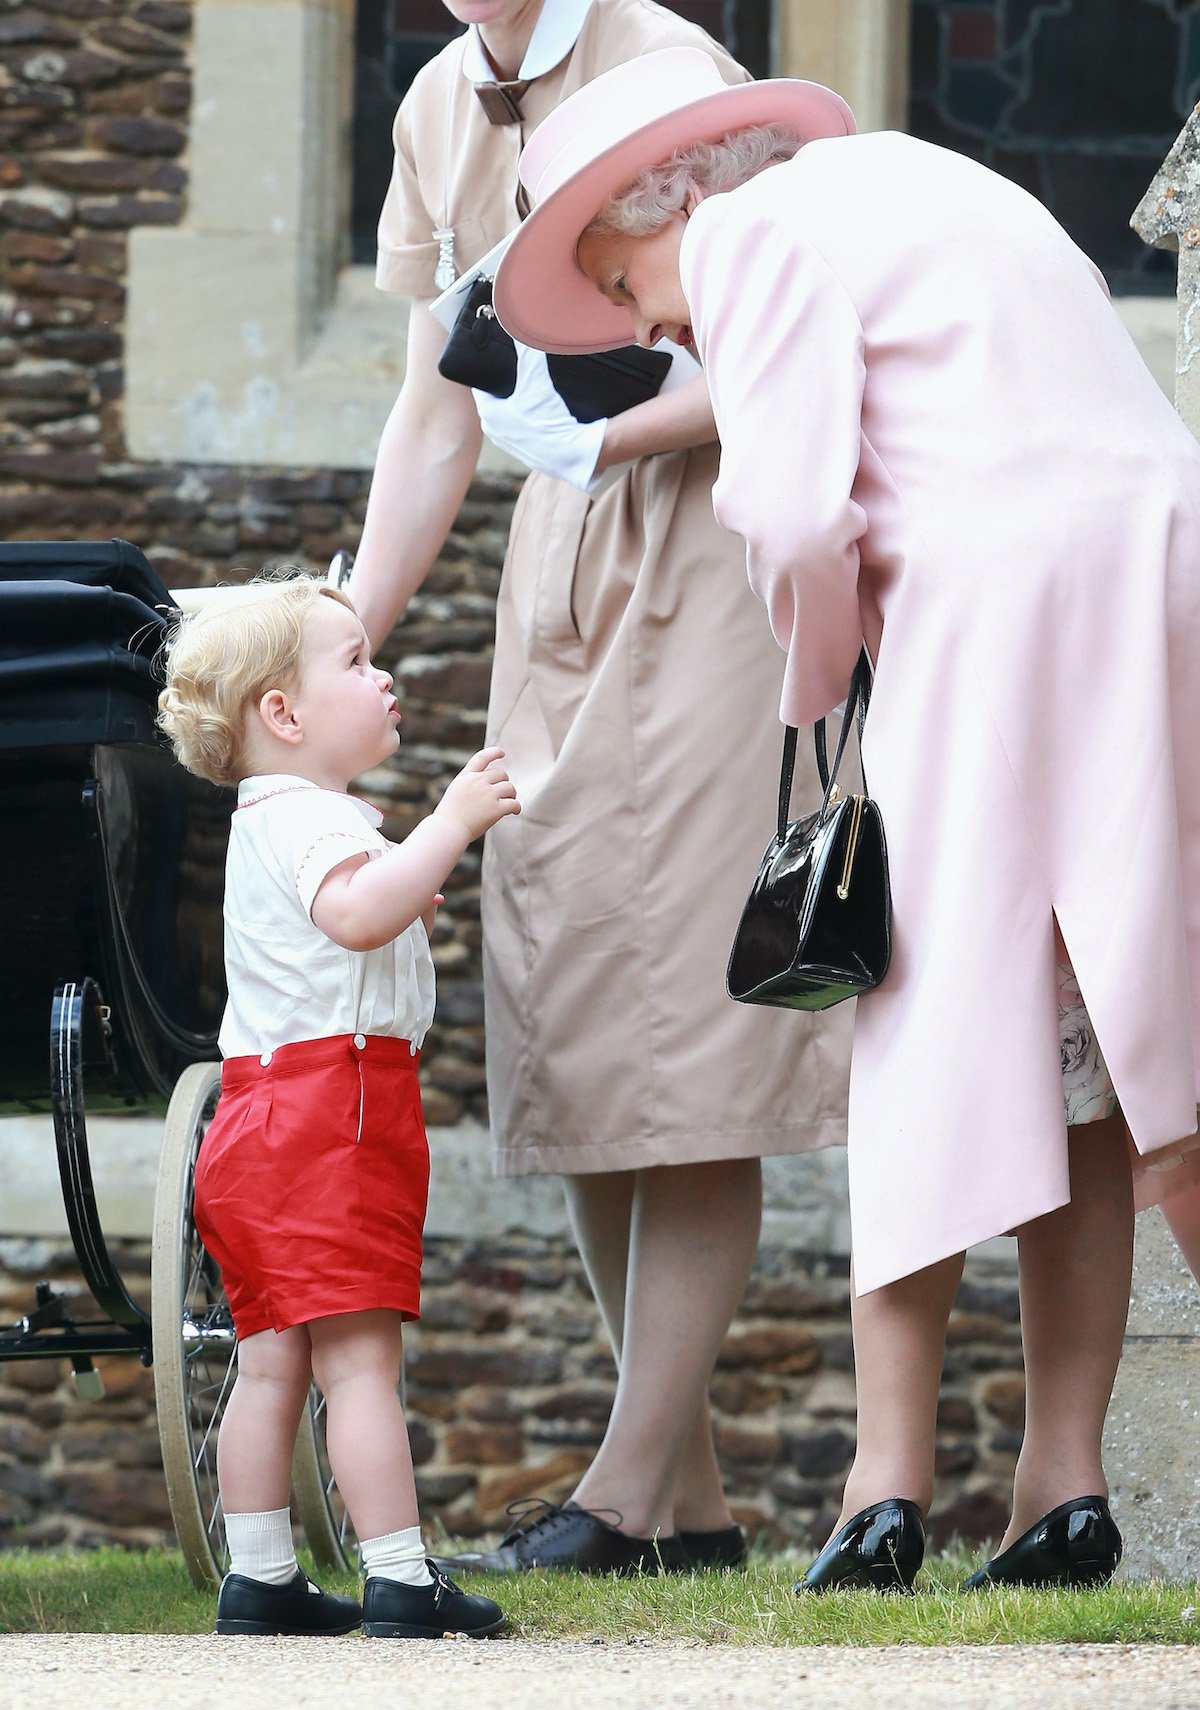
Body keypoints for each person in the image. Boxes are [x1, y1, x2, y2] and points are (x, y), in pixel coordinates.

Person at [493, 45, 1200, 1590]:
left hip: (993, 609)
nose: (637, 323)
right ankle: (1061, 1489)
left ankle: (882, 1489)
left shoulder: (751, 234)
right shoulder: (925, 179)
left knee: (929, 1017)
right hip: (1158, 572)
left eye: (617, 282)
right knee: (1099, 1037)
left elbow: (800, 510)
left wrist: (822, 679)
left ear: (650, 204)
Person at [349, 0, 853, 1574]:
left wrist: (616, 432)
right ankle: (684, 1505)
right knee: (579, 1028)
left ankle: (626, 1495)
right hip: (560, 577)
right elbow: (438, 406)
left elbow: (792, 338)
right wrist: (329, 633)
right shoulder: (440, 101)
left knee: (688, 1029)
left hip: (707, 547)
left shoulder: (672, 68)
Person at [157, 575, 517, 1634]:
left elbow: (351, 915)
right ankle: (401, 1574)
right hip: (334, 1115)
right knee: (361, 1363)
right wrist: (449, 826)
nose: (385, 674)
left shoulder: (270, 817)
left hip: (255, 1116)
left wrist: (404, 867)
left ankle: (260, 1573)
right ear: (284, 713)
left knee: (270, 1363)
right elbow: (357, 916)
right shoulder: (313, 815)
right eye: (356, 661)